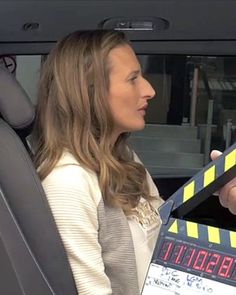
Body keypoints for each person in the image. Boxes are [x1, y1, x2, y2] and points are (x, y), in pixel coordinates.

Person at [33, 30, 236, 295]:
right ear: (89, 91)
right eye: (132, 79)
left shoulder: (124, 158)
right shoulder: (68, 184)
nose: (150, 90)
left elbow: (164, 239)